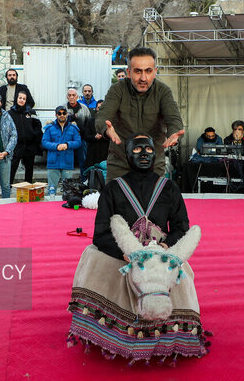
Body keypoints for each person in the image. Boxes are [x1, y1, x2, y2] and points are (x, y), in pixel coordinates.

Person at [67, 134, 207, 363]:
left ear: (156, 154)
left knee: (184, 272)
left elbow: (182, 228)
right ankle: (107, 331)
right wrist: (126, 252)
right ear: (127, 155)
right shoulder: (112, 189)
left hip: (161, 256)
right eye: (137, 149)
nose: (144, 154)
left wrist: (164, 247)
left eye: (149, 150)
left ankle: (176, 334)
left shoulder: (169, 188)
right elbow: (101, 234)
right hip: (123, 255)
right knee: (92, 256)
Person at [95, 47, 184, 180]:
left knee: (155, 201)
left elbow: (173, 118)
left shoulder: (163, 91)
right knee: (114, 200)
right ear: (129, 72)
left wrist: (174, 132)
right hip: (120, 163)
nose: (143, 78)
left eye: (148, 71)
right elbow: (102, 117)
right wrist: (106, 129)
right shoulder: (117, 90)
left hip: (153, 163)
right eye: (138, 71)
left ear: (155, 72)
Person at [42, 106, 81, 195]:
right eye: (59, 113)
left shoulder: (73, 128)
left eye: (64, 113)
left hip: (67, 162)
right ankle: (50, 208)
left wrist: (67, 145)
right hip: (53, 162)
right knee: (51, 190)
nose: (62, 115)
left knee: (68, 190)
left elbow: (78, 142)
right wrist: (56, 146)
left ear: (67, 114)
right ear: (56, 115)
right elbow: (44, 142)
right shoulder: (49, 128)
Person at [8, 91, 42, 183]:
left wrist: (34, 134)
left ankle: (28, 189)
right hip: (16, 146)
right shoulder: (10, 113)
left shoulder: (30, 112)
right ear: (16, 99)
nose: (21, 100)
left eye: (24, 99)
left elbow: (38, 125)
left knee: (29, 169)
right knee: (12, 168)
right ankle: (8, 188)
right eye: (20, 98)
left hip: (29, 146)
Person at [66, 87, 93, 180]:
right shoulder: (63, 109)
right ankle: (66, 182)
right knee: (67, 161)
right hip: (67, 140)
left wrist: (85, 135)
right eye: (69, 95)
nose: (72, 97)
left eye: (73, 95)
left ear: (77, 96)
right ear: (67, 97)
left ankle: (84, 180)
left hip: (82, 138)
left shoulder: (84, 108)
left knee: (83, 161)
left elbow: (89, 123)